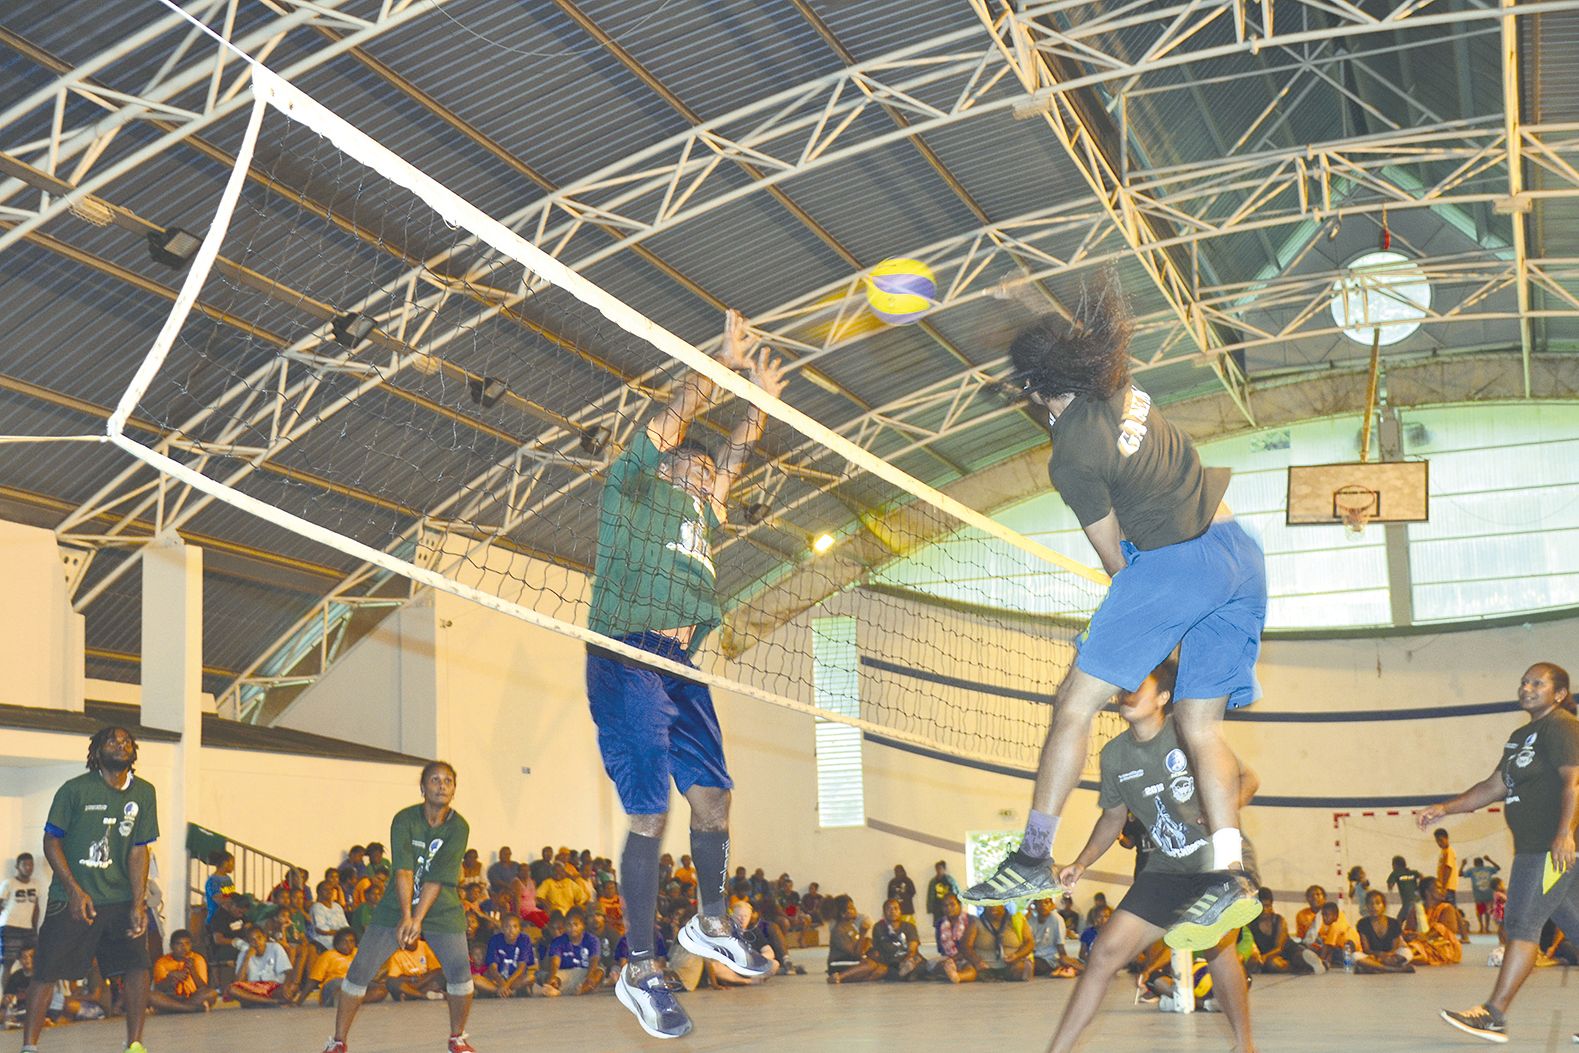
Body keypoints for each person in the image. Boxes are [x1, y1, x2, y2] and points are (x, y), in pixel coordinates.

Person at [965, 278, 1267, 957]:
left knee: (1072, 703)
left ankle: (1034, 853)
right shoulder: (1118, 382)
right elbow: (1072, 339)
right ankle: (1229, 870)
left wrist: (1135, 612)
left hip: (1177, 564)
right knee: (1198, 723)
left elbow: (1115, 563)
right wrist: (1022, 301)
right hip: (1240, 555)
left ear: (1037, 389)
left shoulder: (1070, 453)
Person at [585, 308, 781, 1039]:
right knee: (647, 813)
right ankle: (640, 967)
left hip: (680, 666)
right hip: (626, 654)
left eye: (709, 473)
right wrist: (720, 366)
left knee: (715, 800)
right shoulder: (633, 493)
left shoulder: (702, 513)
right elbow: (672, 416)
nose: (709, 477)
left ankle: (708, 921)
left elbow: (732, 459)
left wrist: (757, 407)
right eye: (695, 467)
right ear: (666, 468)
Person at [1043, 659, 1260, 1053]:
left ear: (1162, 697)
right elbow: (1113, 818)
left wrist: (1218, 812)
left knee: (1217, 945)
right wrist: (1081, 861)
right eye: (1123, 686)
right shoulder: (1114, 756)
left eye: (1137, 685)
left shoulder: (1189, 733)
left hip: (1217, 862)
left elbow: (1247, 779)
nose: (1126, 693)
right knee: (1104, 954)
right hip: (1166, 869)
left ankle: (1245, 1046)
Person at [1432, 663, 1577, 1042]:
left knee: (1522, 924)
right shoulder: (1520, 736)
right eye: (1524, 682)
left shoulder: (1560, 725)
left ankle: (1493, 1014)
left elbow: (1573, 782)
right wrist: (1445, 808)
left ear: (1559, 693)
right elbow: (1492, 787)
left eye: (1537, 683)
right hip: (1538, 848)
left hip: (1549, 849)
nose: (1526, 687)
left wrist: (1563, 834)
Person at [19, 726, 157, 1053]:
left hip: (121, 900)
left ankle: (135, 1044)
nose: (120, 744)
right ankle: (29, 1047)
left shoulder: (145, 793)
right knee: (46, 971)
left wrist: (138, 902)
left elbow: (140, 849)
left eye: (126, 741)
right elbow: (51, 841)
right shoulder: (75, 790)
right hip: (72, 900)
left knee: (139, 966)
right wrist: (74, 889)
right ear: (97, 750)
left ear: (133, 751)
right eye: (112, 739)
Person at [321, 761, 475, 1053]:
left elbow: (439, 876)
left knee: (459, 972)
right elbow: (403, 869)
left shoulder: (459, 826)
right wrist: (406, 916)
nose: (442, 785)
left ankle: (458, 1038)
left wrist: (418, 919)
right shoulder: (404, 819)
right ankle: (338, 1041)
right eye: (434, 780)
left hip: (441, 906)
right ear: (422, 787)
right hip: (396, 905)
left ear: (454, 789)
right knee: (360, 970)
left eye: (448, 781)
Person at [832, 898, 920, 984]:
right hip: (840, 963)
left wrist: (867, 943)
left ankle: (856, 981)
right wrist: (863, 934)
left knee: (882, 970)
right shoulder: (839, 930)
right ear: (843, 914)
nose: (855, 909)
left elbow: (861, 948)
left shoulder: (851, 927)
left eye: (896, 909)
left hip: (854, 961)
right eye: (851, 908)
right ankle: (839, 977)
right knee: (871, 964)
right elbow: (856, 954)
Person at [149, 929, 219, 1013]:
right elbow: (159, 988)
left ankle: (174, 1009)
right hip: (171, 998)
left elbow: (203, 987)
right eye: (179, 944)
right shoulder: (161, 962)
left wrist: (193, 971)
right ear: (171, 946)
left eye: (187, 944)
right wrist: (170, 979)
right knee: (151, 996)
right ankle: (190, 1008)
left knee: (211, 993)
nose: (184, 948)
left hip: (192, 997)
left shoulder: (197, 959)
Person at [1243, 888, 1309, 975]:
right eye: (1262, 907)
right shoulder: (1250, 924)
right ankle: (1296, 968)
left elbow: (1279, 948)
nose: (1265, 910)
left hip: (1287, 951)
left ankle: (1316, 963)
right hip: (1270, 958)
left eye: (1268, 906)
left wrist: (1264, 957)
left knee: (1300, 957)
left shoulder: (1279, 920)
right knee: (1272, 964)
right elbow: (1250, 947)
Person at [297, 929, 370, 1007]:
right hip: (334, 984)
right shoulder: (327, 956)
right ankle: (344, 999)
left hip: (353, 984)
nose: (348, 944)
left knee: (380, 990)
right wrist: (299, 1002)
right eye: (344, 941)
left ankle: (348, 1000)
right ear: (337, 943)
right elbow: (313, 981)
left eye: (351, 941)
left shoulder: (358, 953)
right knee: (343, 984)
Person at [228, 924, 294, 1006]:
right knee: (232, 989)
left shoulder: (275, 948)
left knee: (292, 988)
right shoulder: (244, 954)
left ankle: (255, 1002)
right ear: (248, 942)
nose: (256, 942)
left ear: (265, 937)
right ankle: (273, 1002)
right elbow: (239, 981)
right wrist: (247, 958)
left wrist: (285, 986)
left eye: (259, 938)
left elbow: (288, 972)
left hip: (274, 987)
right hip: (253, 988)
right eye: (252, 940)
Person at [541, 908, 603, 996]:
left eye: (576, 924)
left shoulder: (592, 940)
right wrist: (552, 977)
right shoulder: (558, 941)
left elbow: (594, 960)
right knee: (554, 979)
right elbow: (555, 963)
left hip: (585, 972)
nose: (572, 928)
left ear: (583, 925)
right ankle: (556, 990)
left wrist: (589, 976)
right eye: (569, 925)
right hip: (566, 972)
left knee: (598, 973)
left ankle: (581, 990)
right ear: (565, 927)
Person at [965, 904, 1034, 981]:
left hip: (1012, 964)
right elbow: (966, 946)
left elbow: (1029, 942)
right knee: (970, 970)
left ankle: (1023, 971)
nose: (993, 906)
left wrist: (1016, 956)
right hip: (984, 966)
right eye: (989, 903)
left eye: (996, 903)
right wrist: (977, 961)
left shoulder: (1016, 920)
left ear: (1003, 904)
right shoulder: (976, 922)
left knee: (1019, 969)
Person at [1355, 890, 1413, 973]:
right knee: (1355, 956)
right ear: (1366, 906)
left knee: (1407, 953)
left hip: (1391, 955)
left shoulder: (1394, 923)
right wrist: (1379, 955)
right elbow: (1366, 949)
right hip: (1373, 956)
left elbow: (1394, 947)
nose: (1374, 907)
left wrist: (1387, 956)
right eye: (1370, 904)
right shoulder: (1362, 923)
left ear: (1384, 906)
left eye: (1378, 903)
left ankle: (1374, 967)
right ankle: (1392, 969)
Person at [479, 914, 536, 998]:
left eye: (515, 927)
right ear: (502, 929)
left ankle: (501, 991)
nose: (511, 930)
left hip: (515, 979)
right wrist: (502, 983)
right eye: (507, 927)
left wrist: (507, 984)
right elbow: (492, 967)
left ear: (520, 929)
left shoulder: (524, 940)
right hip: (497, 980)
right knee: (475, 978)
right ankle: (502, 991)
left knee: (530, 977)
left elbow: (521, 967)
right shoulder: (494, 940)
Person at [1, 853, 40, 971]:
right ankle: (5, 989)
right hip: (10, 927)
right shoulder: (9, 883)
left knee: (32, 963)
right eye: (25, 865)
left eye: (31, 865)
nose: (28, 868)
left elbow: (36, 907)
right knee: (8, 964)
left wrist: (35, 928)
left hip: (28, 929)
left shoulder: (35, 884)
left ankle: (26, 988)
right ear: (17, 866)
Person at [1026, 897, 1080, 977]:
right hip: (1033, 955)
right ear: (1035, 905)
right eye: (1039, 903)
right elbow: (1027, 942)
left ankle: (1062, 968)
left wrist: (1064, 960)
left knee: (1033, 966)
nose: (1043, 906)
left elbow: (1060, 945)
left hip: (1049, 958)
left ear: (1051, 905)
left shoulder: (1056, 919)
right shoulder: (1030, 919)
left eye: (1046, 903)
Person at [1462, 855, 1503, 933]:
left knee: (1481, 911)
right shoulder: (1486, 869)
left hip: (1481, 894)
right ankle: (1485, 928)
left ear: (1474, 863)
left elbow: (1460, 873)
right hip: (1485, 893)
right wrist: (1489, 860)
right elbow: (1498, 868)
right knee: (1485, 911)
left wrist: (1463, 864)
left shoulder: (1473, 870)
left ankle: (1483, 927)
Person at [924, 861, 957, 939]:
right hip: (937, 907)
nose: (938, 870)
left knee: (950, 924)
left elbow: (956, 891)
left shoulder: (950, 880)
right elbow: (930, 895)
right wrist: (930, 907)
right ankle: (939, 941)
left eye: (940, 868)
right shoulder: (933, 882)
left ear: (944, 869)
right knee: (938, 925)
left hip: (948, 907)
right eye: (937, 868)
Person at [1387, 855, 1423, 926]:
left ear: (1395, 865)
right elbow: (1422, 877)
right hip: (1418, 900)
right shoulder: (1412, 872)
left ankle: (1398, 935)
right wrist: (1419, 887)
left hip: (1408, 902)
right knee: (1404, 919)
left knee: (1400, 921)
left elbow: (1390, 885)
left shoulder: (1396, 873)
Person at [1435, 828, 1461, 905]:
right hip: (1443, 886)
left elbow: (1448, 868)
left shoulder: (1449, 851)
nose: (1439, 843)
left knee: (1450, 908)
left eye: (1441, 840)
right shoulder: (1443, 851)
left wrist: (1443, 886)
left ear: (1446, 838)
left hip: (1448, 887)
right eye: (1437, 841)